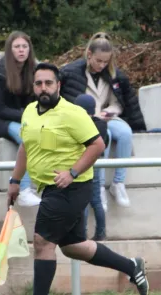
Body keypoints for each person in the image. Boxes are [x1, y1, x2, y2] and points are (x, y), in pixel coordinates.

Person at [7, 63, 148, 295]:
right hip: (48, 187)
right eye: (39, 84)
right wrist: (15, 181)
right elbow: (25, 147)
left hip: (71, 186)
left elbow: (97, 145)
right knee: (72, 246)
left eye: (49, 83)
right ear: (33, 87)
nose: (43, 88)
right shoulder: (29, 112)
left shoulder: (72, 113)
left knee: (42, 242)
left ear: (58, 85)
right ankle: (131, 267)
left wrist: (71, 173)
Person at [59, 32, 146, 210]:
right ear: (89, 55)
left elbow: (118, 102)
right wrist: (92, 115)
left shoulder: (114, 75)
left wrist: (109, 111)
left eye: (106, 62)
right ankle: (98, 187)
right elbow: (68, 101)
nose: (102, 65)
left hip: (108, 116)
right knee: (102, 137)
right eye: (99, 61)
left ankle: (118, 183)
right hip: (87, 119)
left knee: (125, 133)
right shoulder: (72, 72)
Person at [0, 31, 41, 207]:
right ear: (10, 50)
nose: (21, 50)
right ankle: (23, 189)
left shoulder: (35, 71)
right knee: (26, 135)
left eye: (25, 46)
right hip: (2, 120)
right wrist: (26, 116)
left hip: (26, 117)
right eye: (17, 47)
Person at [74, 94, 110, 241]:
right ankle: (101, 232)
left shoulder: (83, 124)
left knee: (83, 201)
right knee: (96, 200)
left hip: (85, 164)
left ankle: (82, 233)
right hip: (97, 163)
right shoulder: (101, 124)